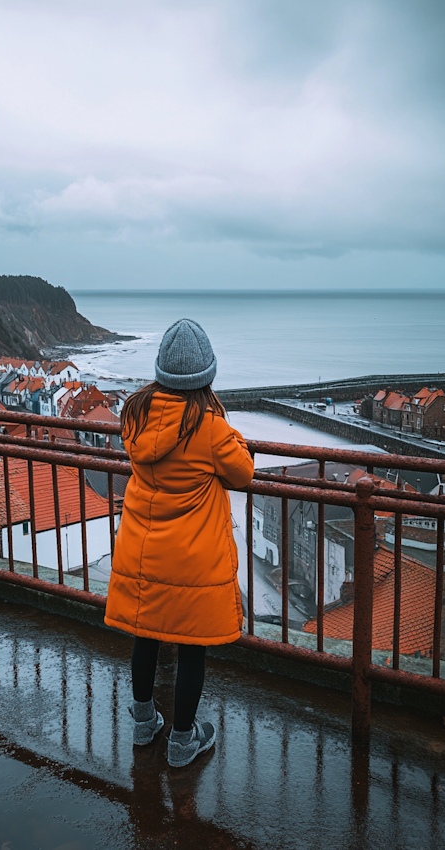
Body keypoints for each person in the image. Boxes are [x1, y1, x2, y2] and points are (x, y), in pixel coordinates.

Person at [104, 318, 254, 768]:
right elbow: (243, 473)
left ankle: (143, 723)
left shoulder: (135, 415)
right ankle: (184, 739)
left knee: (145, 637)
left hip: (143, 549)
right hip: (190, 559)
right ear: (206, 377)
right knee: (192, 647)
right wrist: (234, 433)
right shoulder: (209, 429)